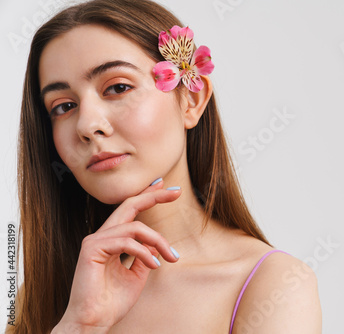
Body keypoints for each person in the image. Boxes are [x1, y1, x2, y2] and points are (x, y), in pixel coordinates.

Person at [7, 0, 322, 333]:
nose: (87, 125)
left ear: (191, 100)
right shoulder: (49, 293)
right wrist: (80, 325)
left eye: (117, 87)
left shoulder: (271, 285)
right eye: (64, 106)